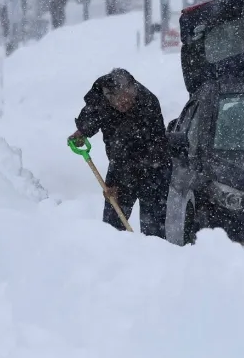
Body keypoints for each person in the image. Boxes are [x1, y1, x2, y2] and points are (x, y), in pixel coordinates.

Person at [69, 68, 172, 238]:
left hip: (154, 166)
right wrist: (82, 131)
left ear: (134, 90)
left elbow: (150, 147)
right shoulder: (100, 96)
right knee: (112, 226)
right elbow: (91, 115)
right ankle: (112, 255)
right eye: (121, 103)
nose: (127, 105)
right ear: (109, 98)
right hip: (121, 163)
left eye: (130, 100)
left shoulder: (147, 103)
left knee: (153, 228)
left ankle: (153, 257)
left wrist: (119, 182)